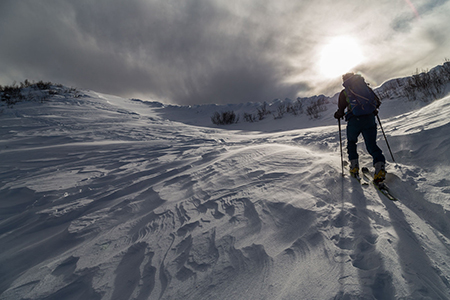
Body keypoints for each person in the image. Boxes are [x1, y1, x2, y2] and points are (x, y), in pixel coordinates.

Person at [334, 72, 386, 183]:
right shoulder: (366, 89)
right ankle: (380, 169)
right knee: (372, 144)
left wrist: (338, 114)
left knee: (352, 142)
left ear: (345, 81)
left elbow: (340, 110)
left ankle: (354, 167)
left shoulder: (345, 92)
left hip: (354, 121)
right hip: (369, 119)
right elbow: (377, 102)